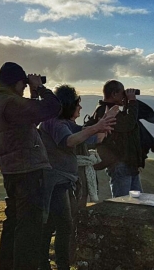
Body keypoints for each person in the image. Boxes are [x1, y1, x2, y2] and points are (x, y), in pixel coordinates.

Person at [0, 62, 61, 270]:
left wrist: (32, 95)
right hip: (27, 172)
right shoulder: (11, 103)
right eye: (23, 84)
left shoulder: (1, 102)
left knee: (14, 225)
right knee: (29, 230)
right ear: (18, 82)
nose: (24, 87)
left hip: (13, 172)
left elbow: (31, 118)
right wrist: (39, 87)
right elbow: (52, 108)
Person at [38, 85, 117, 270]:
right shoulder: (53, 123)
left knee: (51, 226)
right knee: (64, 226)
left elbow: (93, 139)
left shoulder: (64, 123)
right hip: (55, 182)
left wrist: (105, 122)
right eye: (77, 104)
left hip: (62, 182)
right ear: (68, 105)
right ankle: (59, 265)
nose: (80, 108)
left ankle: (44, 264)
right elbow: (69, 141)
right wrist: (97, 127)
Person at [85, 80, 146, 198]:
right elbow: (128, 124)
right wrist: (132, 101)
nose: (124, 96)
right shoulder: (106, 111)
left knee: (137, 202)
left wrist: (127, 103)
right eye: (122, 93)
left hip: (127, 162)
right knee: (122, 202)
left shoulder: (111, 110)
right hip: (120, 164)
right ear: (114, 94)